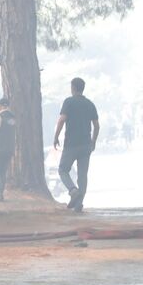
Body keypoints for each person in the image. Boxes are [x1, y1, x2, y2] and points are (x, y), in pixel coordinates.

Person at [53, 77, 99, 212]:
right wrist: (93, 141)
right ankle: (79, 204)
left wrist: (56, 137)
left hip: (71, 144)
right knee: (82, 175)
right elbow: (97, 125)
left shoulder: (69, 102)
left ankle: (73, 190)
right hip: (86, 145)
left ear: (73, 88)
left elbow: (62, 120)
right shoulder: (90, 104)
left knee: (63, 170)